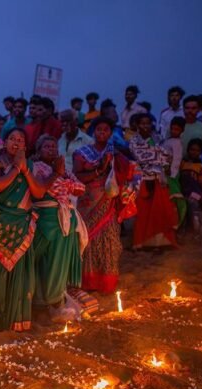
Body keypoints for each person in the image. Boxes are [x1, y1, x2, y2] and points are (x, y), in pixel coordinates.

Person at [0, 128, 51, 331]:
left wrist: (26, 170)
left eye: (20, 140)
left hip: (22, 224)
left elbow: (39, 193)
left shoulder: (29, 165)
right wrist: (16, 168)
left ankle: (18, 321)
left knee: (22, 275)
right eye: (12, 138)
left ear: (25, 145)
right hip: (1, 224)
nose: (16, 142)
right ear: (5, 142)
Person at [74, 117, 140, 293]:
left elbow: (129, 171)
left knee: (109, 242)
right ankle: (88, 282)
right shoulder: (82, 153)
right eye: (99, 129)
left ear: (111, 133)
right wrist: (100, 169)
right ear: (93, 132)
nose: (102, 132)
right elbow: (78, 176)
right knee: (87, 241)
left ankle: (106, 282)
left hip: (108, 203)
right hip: (88, 203)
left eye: (106, 129)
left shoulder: (116, 153)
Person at [31, 135, 87, 322]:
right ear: (39, 150)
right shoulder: (36, 167)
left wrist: (62, 178)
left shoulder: (63, 170)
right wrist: (58, 176)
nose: (51, 150)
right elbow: (45, 189)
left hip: (65, 218)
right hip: (47, 219)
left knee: (60, 260)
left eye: (54, 146)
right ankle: (41, 303)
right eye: (47, 146)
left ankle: (55, 299)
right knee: (45, 261)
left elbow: (81, 188)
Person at [129, 113, 178, 249]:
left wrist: (160, 162)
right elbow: (140, 157)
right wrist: (156, 158)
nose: (145, 126)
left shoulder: (158, 138)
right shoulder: (134, 141)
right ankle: (142, 242)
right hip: (142, 178)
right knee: (143, 211)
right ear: (137, 125)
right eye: (142, 123)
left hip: (159, 178)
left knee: (160, 209)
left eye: (148, 123)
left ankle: (161, 242)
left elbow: (166, 155)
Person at [163, 117, 188, 231]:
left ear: (182, 130)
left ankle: (178, 222)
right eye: (172, 129)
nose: (174, 131)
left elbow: (177, 160)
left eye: (177, 129)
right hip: (165, 173)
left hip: (172, 174)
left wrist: (171, 173)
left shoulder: (177, 143)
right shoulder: (167, 140)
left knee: (176, 197)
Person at [179, 139, 202, 238]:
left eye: (197, 150)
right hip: (183, 191)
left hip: (195, 193)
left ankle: (196, 234)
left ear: (201, 152)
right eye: (192, 149)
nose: (194, 152)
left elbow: (201, 182)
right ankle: (185, 232)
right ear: (188, 150)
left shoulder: (201, 166)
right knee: (184, 212)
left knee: (194, 212)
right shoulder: (182, 163)